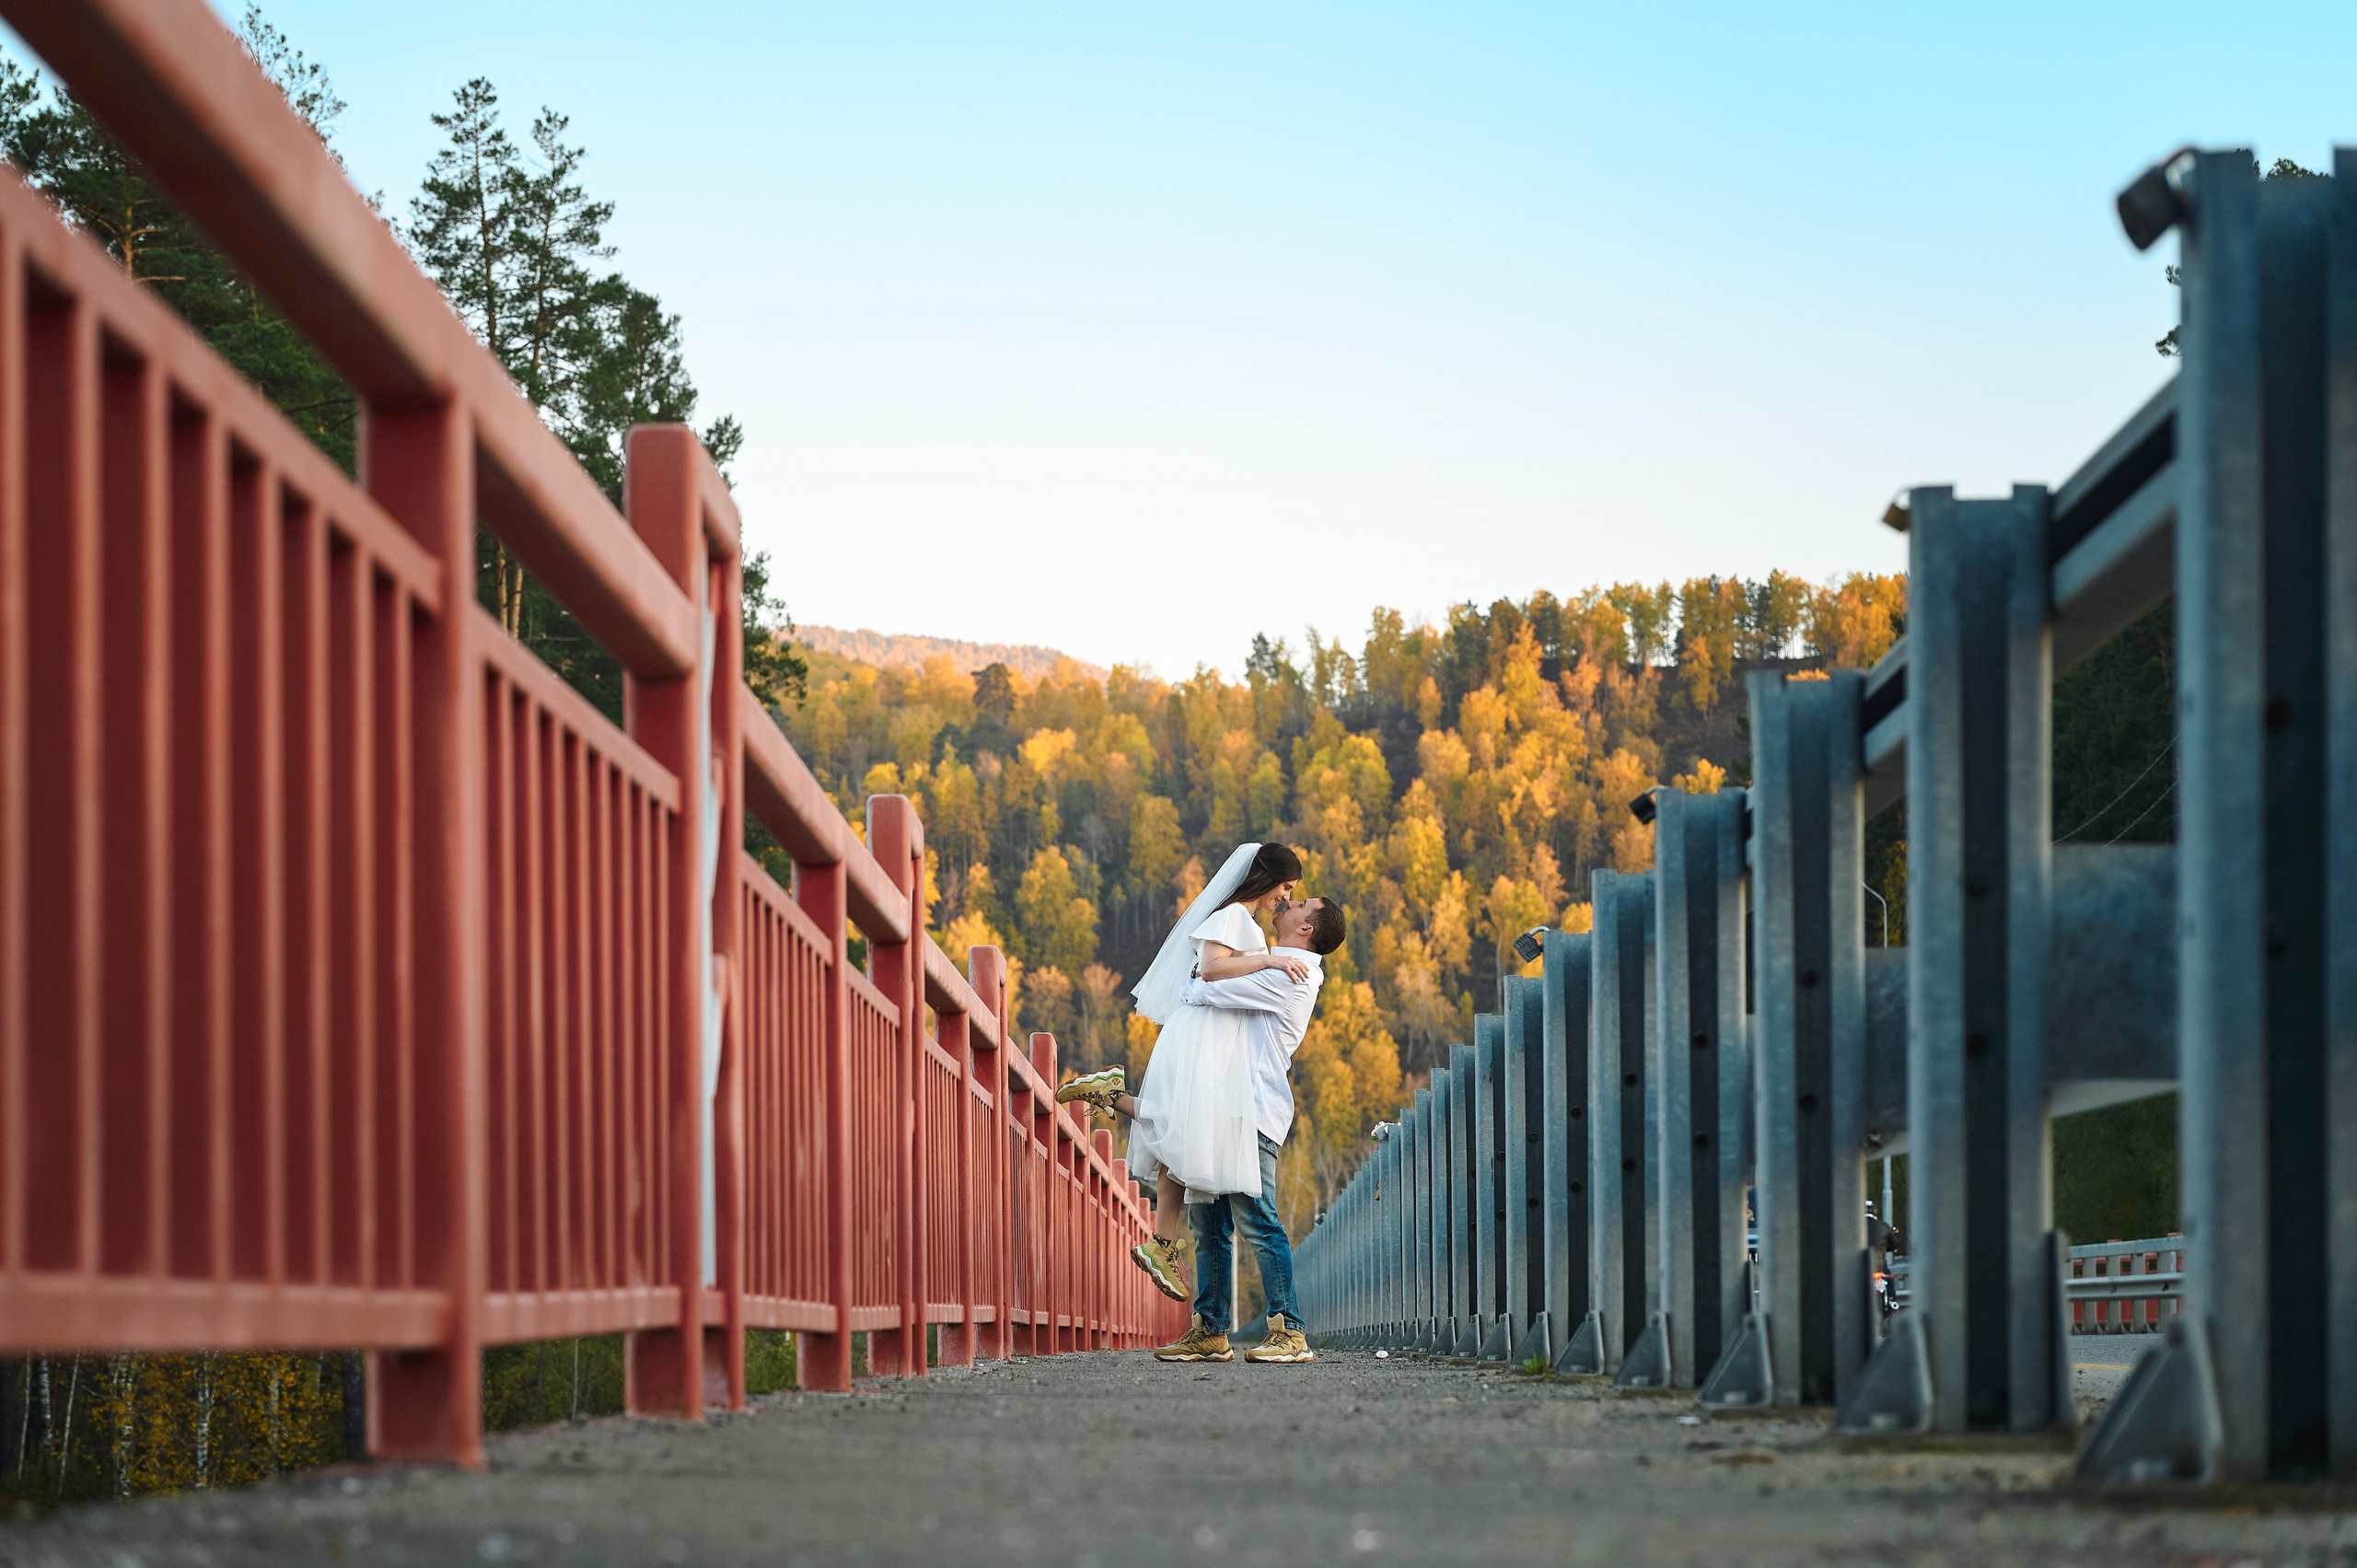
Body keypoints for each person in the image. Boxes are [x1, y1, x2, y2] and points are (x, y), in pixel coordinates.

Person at [1056, 843, 1304, 1302]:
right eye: (1286, 887)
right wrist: (1269, 959)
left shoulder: (1240, 919)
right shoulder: (1235, 916)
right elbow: (1210, 969)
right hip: (1205, 1033)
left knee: (1184, 1131)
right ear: (1266, 876)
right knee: (1185, 1129)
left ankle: (1162, 1239)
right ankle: (1162, 1241)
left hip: (1208, 1032)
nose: (1285, 898)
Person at [1152, 893, 1345, 1365]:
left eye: (1300, 903)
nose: (1288, 901)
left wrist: (1212, 971)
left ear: (1306, 928)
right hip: (1227, 1107)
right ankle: (1210, 1331)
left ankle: (1290, 1332)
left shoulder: (1294, 974)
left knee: (1258, 1220)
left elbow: (1204, 990)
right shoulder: (1278, 965)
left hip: (1252, 1111)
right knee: (1209, 1223)